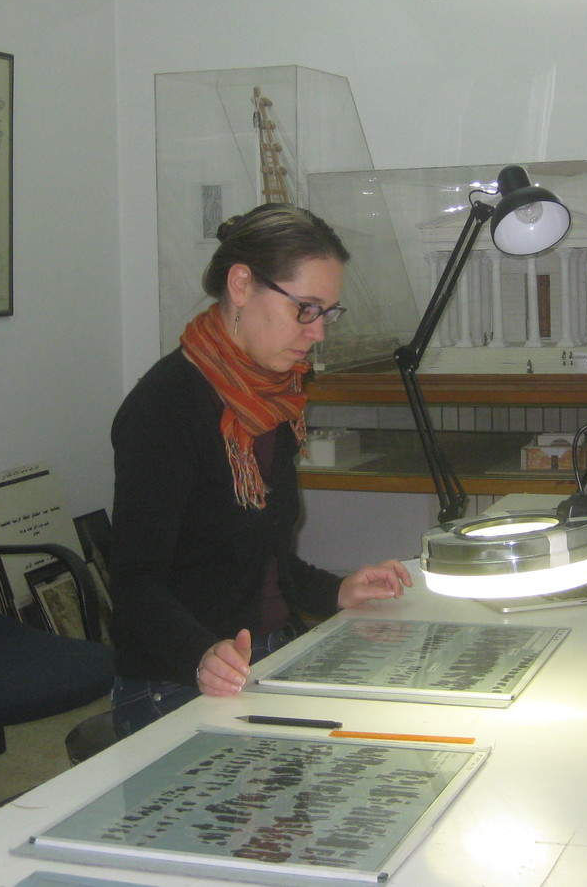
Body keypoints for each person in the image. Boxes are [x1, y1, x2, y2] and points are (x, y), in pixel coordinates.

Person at [108, 203, 411, 737]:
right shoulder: (165, 408)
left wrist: (337, 591)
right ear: (242, 285)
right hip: (177, 677)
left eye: (328, 313)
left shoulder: (272, 397)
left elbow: (263, 560)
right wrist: (201, 654)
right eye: (306, 309)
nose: (318, 333)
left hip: (270, 653)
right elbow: (135, 583)